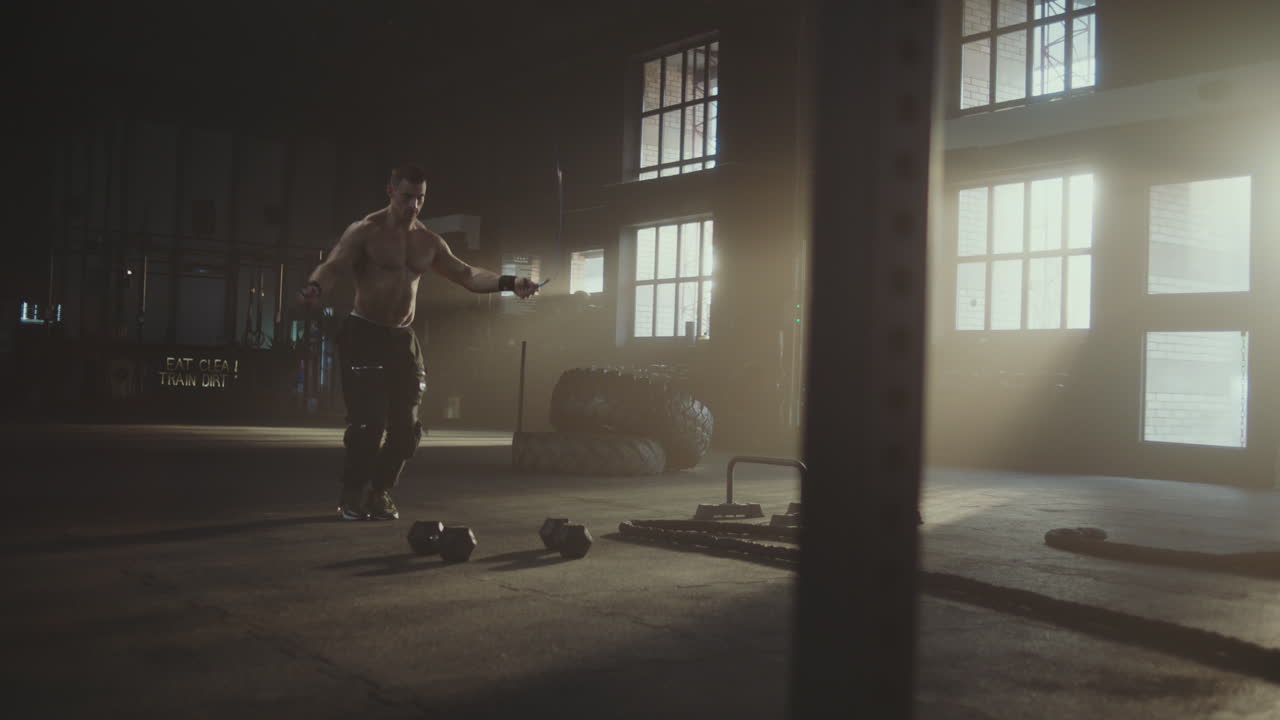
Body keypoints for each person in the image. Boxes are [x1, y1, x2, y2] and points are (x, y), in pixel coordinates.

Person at [301, 164, 539, 521]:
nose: (413, 205)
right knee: (368, 425)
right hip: (364, 334)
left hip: (401, 339)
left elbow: (468, 275)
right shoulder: (365, 232)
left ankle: (380, 492)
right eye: (407, 197)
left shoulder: (427, 241)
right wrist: (317, 287)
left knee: (406, 430)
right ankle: (353, 493)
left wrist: (510, 282)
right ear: (390, 191)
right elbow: (334, 265)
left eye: (420, 198)